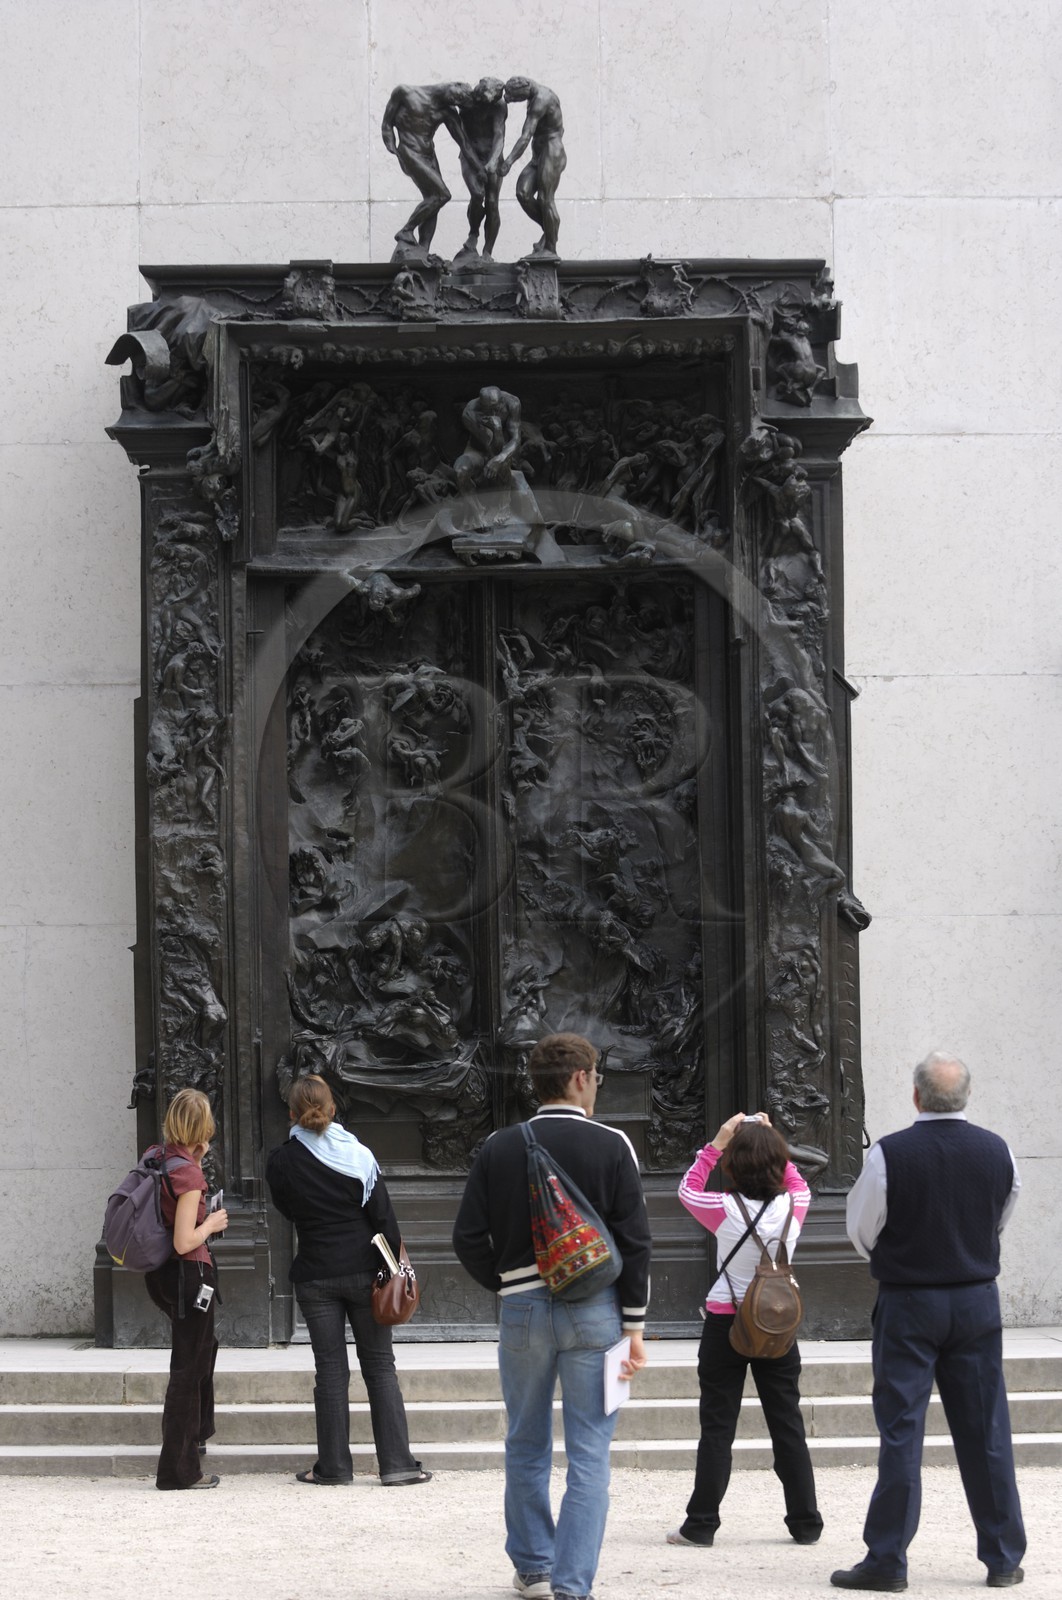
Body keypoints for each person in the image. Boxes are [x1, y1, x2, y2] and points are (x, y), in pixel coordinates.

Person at [452, 1032, 652, 1600]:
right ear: (582, 1078)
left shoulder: (499, 1145)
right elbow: (635, 1243)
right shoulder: (614, 1145)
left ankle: (534, 1567)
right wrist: (634, 1329)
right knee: (590, 1450)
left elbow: (467, 1237)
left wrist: (511, 1284)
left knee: (525, 1441)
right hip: (596, 1314)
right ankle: (572, 1585)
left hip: (522, 1313)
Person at [831, 1051, 1025, 1591]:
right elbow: (999, 1217)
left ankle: (888, 1560)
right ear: (966, 1096)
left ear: (916, 1096)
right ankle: (1004, 1556)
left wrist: (907, 1256)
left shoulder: (891, 1153)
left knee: (901, 1432)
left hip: (910, 1299)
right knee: (986, 1429)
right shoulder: (998, 1151)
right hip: (975, 1298)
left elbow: (862, 1229)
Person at [265, 1074, 429, 1487]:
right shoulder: (358, 1156)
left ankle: (334, 1468)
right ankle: (397, 1466)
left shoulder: (281, 1160)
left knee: (331, 1372)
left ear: (291, 1113)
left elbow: (288, 1210)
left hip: (315, 1273)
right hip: (364, 1273)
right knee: (379, 1367)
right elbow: (385, 1221)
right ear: (333, 1108)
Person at [672, 1111, 821, 1547]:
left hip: (726, 1323)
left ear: (732, 1165)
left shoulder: (722, 1209)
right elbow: (794, 1180)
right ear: (778, 1161)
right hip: (777, 1326)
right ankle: (806, 1523)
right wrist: (772, 1137)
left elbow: (686, 1189)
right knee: (787, 1425)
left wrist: (717, 1142)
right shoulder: (795, 1204)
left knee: (717, 1427)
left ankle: (701, 1524)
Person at [145, 1087, 229, 1490]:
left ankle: (197, 1437)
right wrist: (211, 1224)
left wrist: (195, 1158)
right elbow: (184, 1240)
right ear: (203, 1128)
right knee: (188, 1368)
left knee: (201, 1351)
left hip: (161, 1275)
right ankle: (177, 1471)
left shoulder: (159, 1157)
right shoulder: (189, 1173)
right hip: (189, 1275)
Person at [380, 81, 481, 257]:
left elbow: (463, 143)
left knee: (433, 200)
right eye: (456, 98)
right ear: (454, 85)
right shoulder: (405, 92)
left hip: (429, 155)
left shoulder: (447, 111)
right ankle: (406, 230)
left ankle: (423, 249)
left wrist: (479, 168)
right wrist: (393, 149)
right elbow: (387, 123)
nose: (454, 102)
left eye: (458, 102)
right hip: (409, 152)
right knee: (442, 195)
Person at [501, 78, 567, 257]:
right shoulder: (532, 95)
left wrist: (508, 162)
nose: (513, 100)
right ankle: (550, 230)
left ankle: (550, 249)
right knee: (523, 192)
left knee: (546, 199)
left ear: (523, 90)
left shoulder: (541, 99)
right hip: (538, 155)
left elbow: (526, 136)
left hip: (552, 152)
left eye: (514, 98)